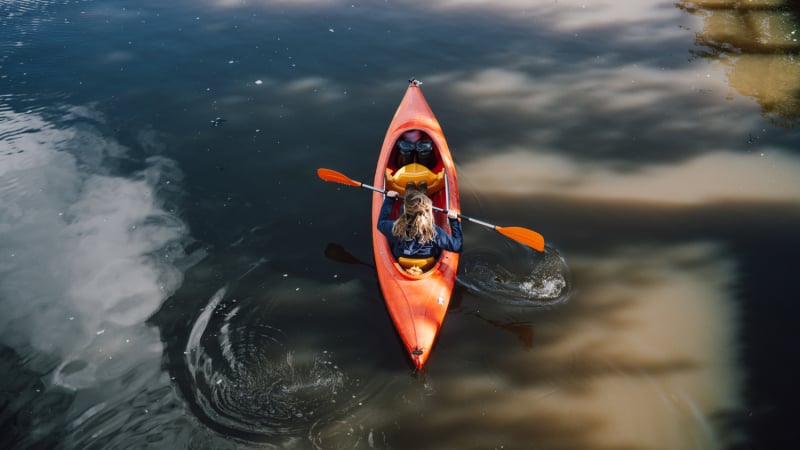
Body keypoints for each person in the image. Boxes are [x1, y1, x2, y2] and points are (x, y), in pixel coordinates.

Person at [377, 188, 462, 265]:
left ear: (406, 210)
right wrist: (454, 221)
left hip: (401, 257)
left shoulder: (394, 228)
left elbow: (380, 223)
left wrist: (389, 199)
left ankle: (412, 192)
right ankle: (422, 192)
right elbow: (457, 246)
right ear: (427, 211)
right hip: (427, 262)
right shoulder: (434, 231)